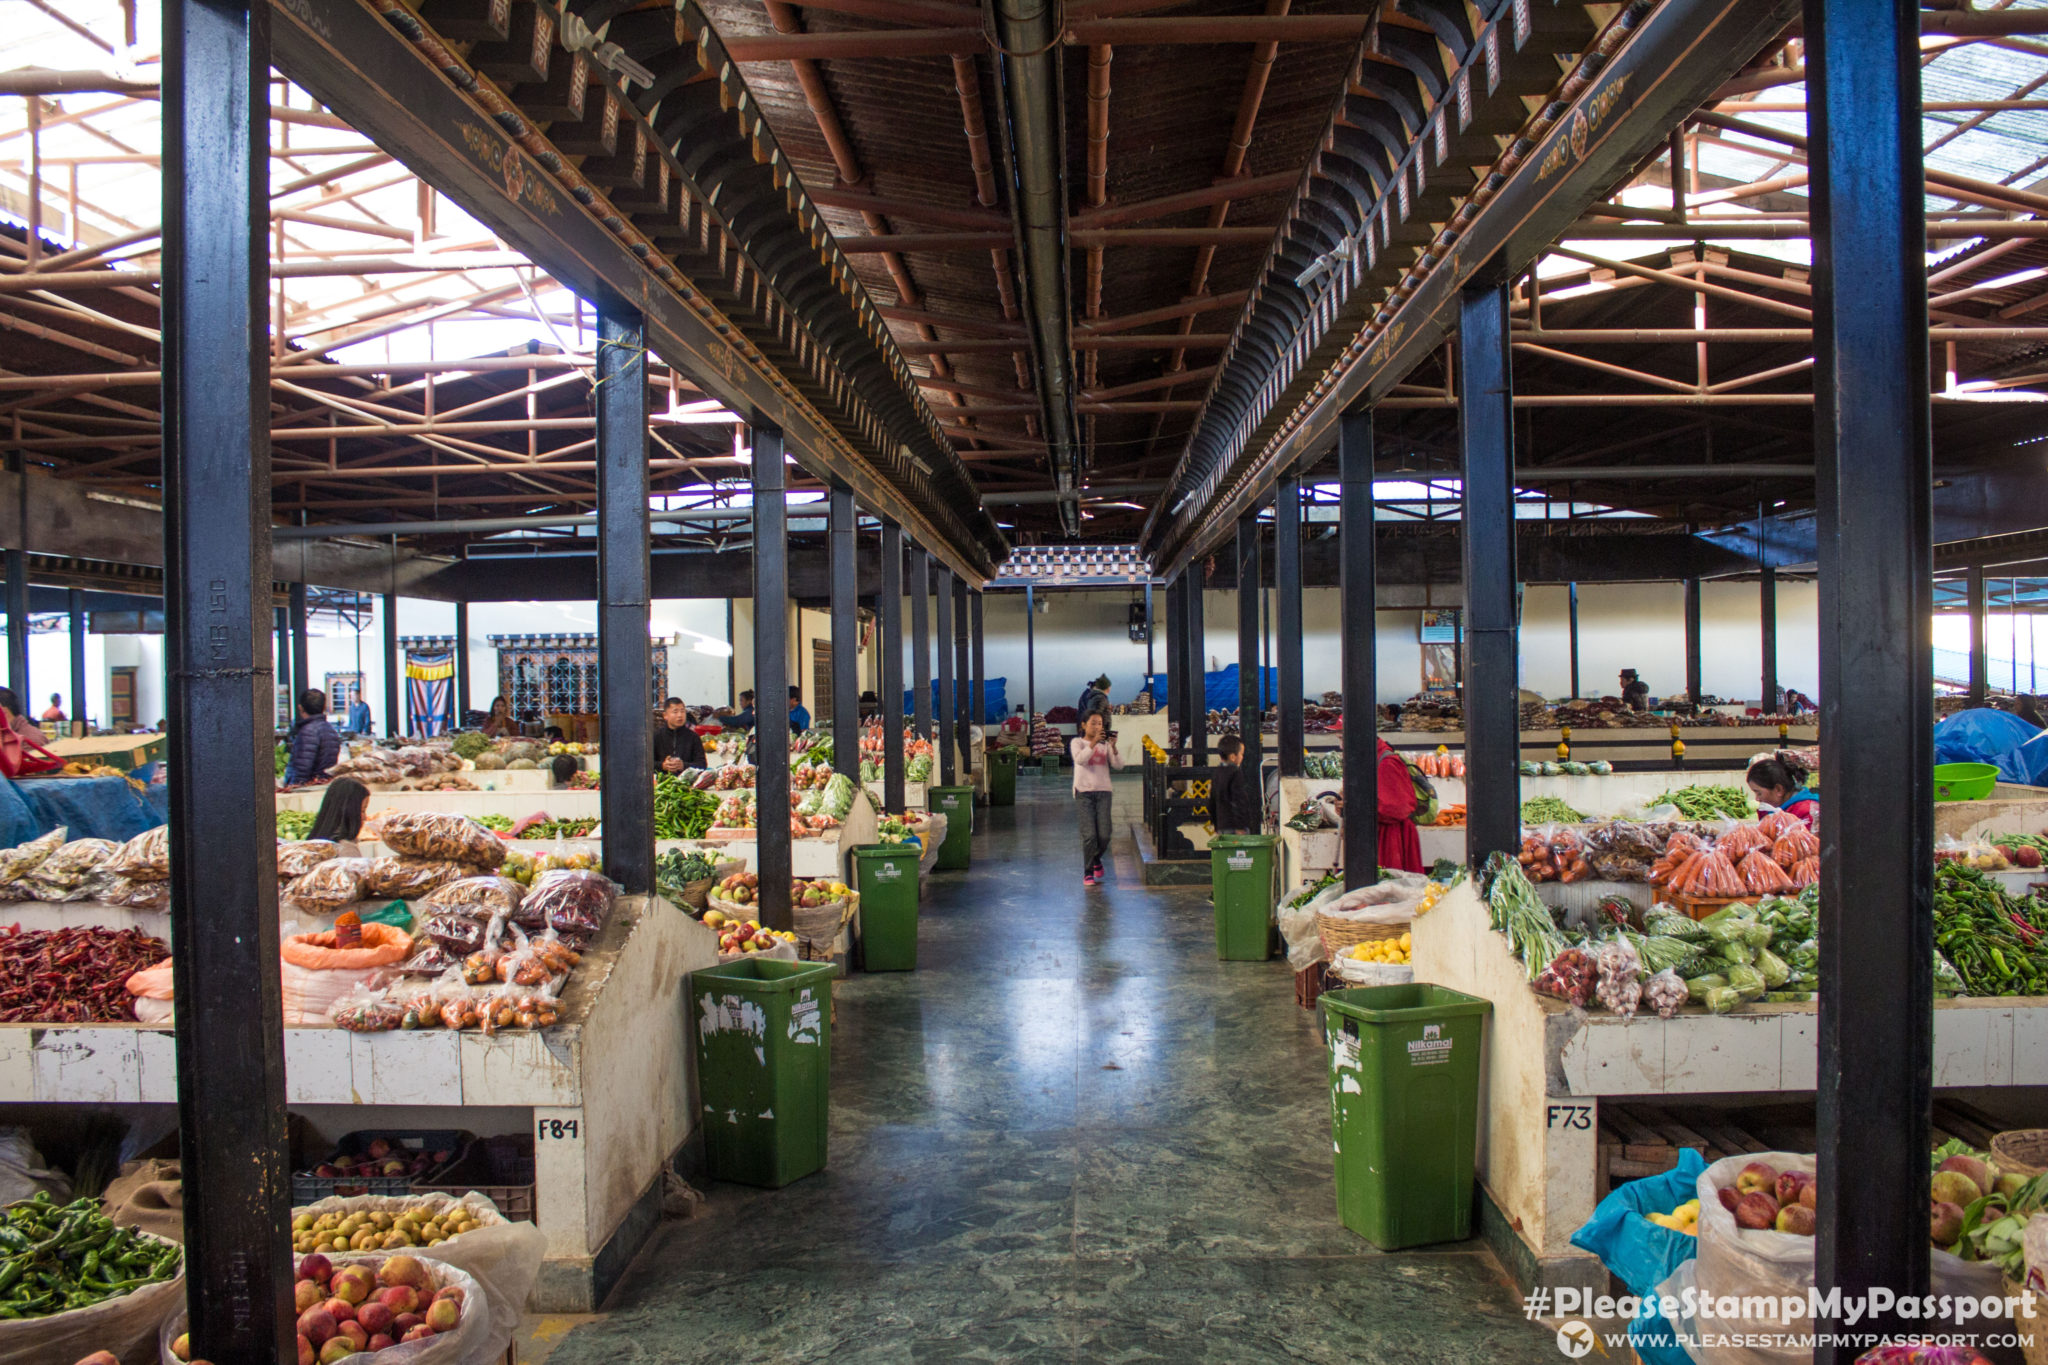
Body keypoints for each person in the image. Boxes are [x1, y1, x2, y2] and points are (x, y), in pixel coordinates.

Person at [1070, 710, 1122, 886]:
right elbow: (1080, 760)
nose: (1097, 726)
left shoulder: (1105, 745)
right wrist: (1092, 743)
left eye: (1100, 723)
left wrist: (1113, 747)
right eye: (1093, 723)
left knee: (1105, 834)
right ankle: (1088, 871)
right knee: (1090, 835)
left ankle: (1096, 859)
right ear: (1083, 725)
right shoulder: (1077, 742)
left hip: (1104, 791)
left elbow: (1118, 765)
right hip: (1083, 792)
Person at [1375, 736, 1424, 874]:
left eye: (1342, 739)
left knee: (1393, 886)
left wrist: (1358, 807)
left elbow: (1397, 808)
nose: (1341, 746)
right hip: (1385, 834)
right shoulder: (1374, 760)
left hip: (1392, 837)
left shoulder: (1387, 763)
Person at [281, 689, 341, 787]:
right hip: (322, 785)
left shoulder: (308, 731)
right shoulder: (330, 729)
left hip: (309, 787)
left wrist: (293, 787)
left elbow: (302, 768)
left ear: (300, 708)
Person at [1747, 754, 1818, 829]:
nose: (1757, 799)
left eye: (1759, 793)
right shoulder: (1770, 810)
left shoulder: (1808, 813)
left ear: (1778, 790)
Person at [1209, 734, 1261, 834]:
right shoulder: (1235, 773)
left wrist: (1215, 824)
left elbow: (1212, 800)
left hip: (1221, 825)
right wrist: (1241, 825)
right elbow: (1239, 800)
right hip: (1236, 826)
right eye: (1241, 754)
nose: (1242, 757)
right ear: (1233, 757)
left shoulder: (1217, 772)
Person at [307, 776, 370, 853]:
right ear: (350, 812)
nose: (365, 817)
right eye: (362, 811)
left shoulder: (312, 845)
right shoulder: (346, 849)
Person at [655, 697, 708, 774]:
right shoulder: (656, 736)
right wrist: (662, 765)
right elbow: (646, 763)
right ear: (665, 715)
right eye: (675, 712)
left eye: (682, 711)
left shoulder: (693, 737)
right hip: (661, 782)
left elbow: (702, 765)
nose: (680, 715)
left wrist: (684, 765)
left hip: (686, 783)